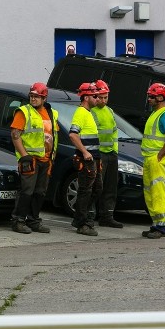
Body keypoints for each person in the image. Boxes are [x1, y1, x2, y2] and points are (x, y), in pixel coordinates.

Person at [9, 82, 57, 234]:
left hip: (46, 159)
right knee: (27, 191)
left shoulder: (52, 113)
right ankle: (18, 221)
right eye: (31, 96)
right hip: (30, 160)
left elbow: (54, 135)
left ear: (44, 98)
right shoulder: (24, 112)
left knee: (40, 192)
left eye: (37, 97)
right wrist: (24, 156)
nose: (33, 99)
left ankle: (34, 220)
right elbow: (15, 135)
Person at [141, 83, 165, 239]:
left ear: (161, 97)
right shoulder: (156, 113)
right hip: (150, 158)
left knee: (158, 193)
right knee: (150, 193)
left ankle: (162, 226)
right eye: (149, 96)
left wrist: (160, 156)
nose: (149, 99)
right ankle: (156, 224)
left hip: (156, 159)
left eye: (152, 96)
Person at [67, 82, 102, 236]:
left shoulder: (88, 113)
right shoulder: (81, 113)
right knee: (86, 191)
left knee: (96, 189)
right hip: (87, 159)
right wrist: (85, 152)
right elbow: (73, 134)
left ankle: (84, 219)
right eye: (95, 96)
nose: (98, 98)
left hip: (94, 158)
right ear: (86, 97)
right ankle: (82, 223)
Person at [91, 80, 123, 228]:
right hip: (100, 154)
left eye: (106, 97)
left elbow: (114, 132)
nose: (103, 100)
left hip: (111, 154)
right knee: (96, 187)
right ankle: (90, 215)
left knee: (111, 187)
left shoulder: (109, 111)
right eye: (101, 97)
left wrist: (114, 151)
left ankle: (107, 216)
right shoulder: (92, 112)